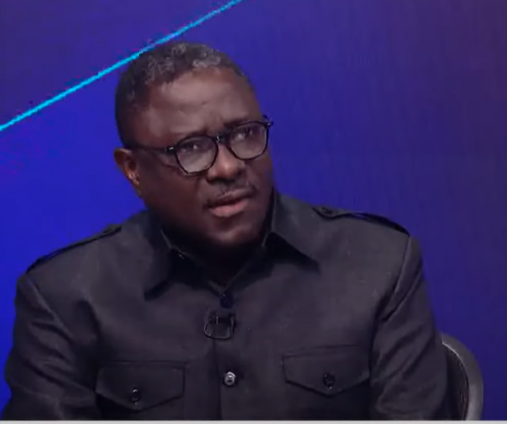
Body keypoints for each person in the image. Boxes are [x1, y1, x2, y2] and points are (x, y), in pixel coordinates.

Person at [2, 41, 448, 420]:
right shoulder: (65, 298)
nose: (229, 167)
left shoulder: (378, 266)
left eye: (245, 134)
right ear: (133, 169)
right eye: (192, 148)